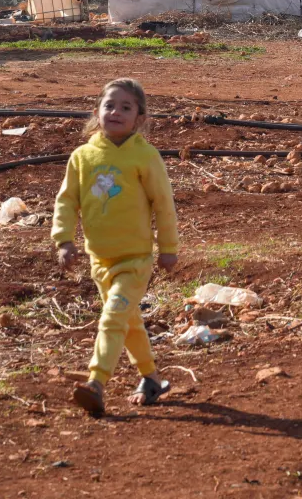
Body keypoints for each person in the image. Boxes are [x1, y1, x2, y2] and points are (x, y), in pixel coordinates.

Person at [52, 77, 179, 416]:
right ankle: (152, 379)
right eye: (109, 105)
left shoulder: (145, 156)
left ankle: (96, 382)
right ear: (97, 111)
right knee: (129, 322)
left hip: (135, 260)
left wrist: (169, 247)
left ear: (140, 118)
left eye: (126, 107)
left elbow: (163, 204)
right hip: (100, 260)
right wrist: (64, 239)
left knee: (112, 319)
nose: (116, 112)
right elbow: (66, 201)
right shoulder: (82, 157)